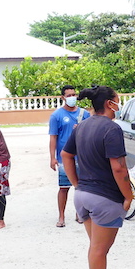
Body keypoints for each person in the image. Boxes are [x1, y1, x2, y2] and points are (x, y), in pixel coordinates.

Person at [61, 85, 132, 269]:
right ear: (109, 103)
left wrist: (76, 184)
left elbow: (66, 155)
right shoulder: (112, 129)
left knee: (96, 247)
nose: (118, 104)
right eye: (117, 100)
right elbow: (119, 168)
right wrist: (129, 195)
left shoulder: (81, 126)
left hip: (83, 196)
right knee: (99, 249)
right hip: (105, 198)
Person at [49, 85, 90, 227]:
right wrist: (52, 157)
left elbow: (90, 133)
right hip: (64, 159)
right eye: (69, 95)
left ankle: (80, 214)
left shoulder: (84, 114)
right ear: (63, 98)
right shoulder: (56, 116)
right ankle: (61, 216)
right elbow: (53, 137)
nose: (72, 97)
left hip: (82, 156)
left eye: (74, 94)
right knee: (64, 187)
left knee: (81, 188)